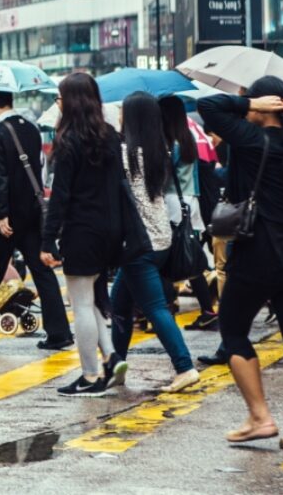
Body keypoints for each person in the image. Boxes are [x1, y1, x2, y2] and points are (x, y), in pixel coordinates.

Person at [198, 78, 283, 452]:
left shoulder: (249, 140)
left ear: (262, 103)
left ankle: (260, 418)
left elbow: (209, 107)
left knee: (234, 330)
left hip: (257, 255)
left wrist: (248, 104)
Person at [107, 93, 199, 393]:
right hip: (161, 238)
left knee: (156, 308)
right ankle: (115, 366)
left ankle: (184, 367)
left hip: (139, 243)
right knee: (119, 305)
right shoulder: (160, 149)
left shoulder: (126, 154)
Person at [39, 73, 122, 397]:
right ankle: (112, 357)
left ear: (70, 102)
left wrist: (48, 239)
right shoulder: (111, 136)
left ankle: (90, 375)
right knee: (92, 299)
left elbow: (60, 196)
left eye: (60, 98)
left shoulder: (69, 140)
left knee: (82, 303)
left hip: (82, 230)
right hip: (110, 230)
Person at [0, 89, 73, 350]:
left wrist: (1, 214)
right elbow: (38, 168)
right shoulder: (30, 128)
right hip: (32, 212)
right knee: (42, 271)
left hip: (6, 218)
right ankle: (59, 332)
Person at [159, 95, 219, 330]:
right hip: (190, 201)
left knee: (168, 256)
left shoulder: (170, 144)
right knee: (190, 258)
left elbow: (163, 178)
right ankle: (207, 310)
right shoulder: (188, 140)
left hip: (173, 202)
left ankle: (167, 309)